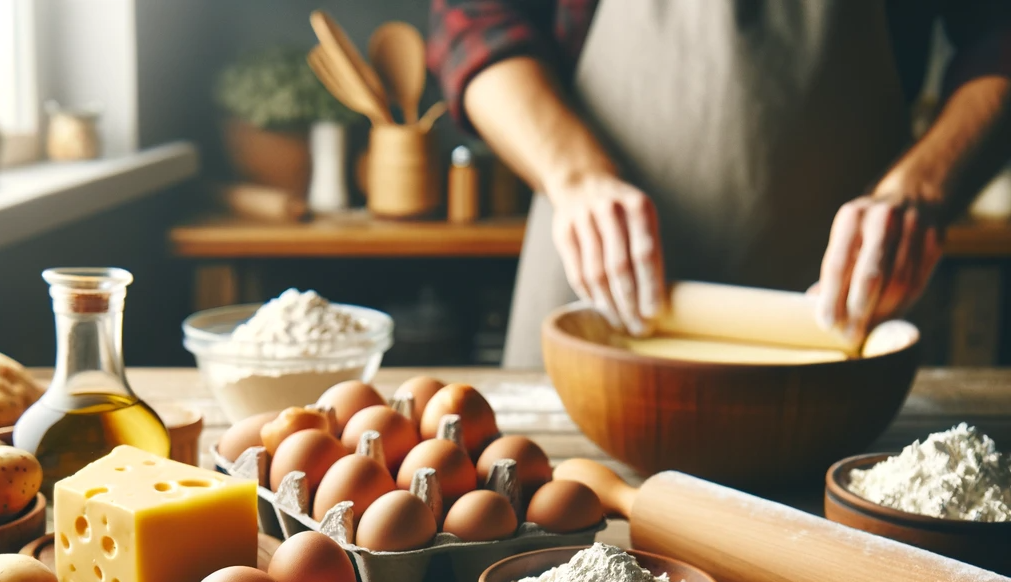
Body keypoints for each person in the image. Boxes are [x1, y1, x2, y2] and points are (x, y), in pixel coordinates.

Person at [428, 1, 1011, 366]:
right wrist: (575, 176)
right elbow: (474, 18)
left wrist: (927, 184)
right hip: (594, 296)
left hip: (845, 301)